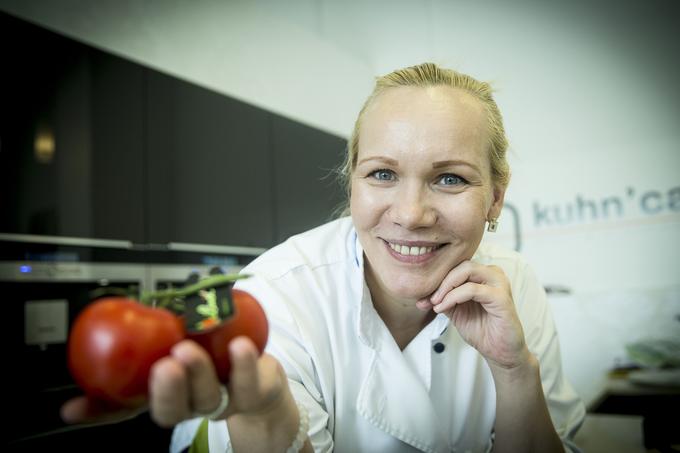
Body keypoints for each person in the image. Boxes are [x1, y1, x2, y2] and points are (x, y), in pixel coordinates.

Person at [62, 62, 585, 452]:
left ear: (495, 196)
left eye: (450, 178)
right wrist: (266, 414)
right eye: (382, 173)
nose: (411, 213)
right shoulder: (275, 293)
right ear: (352, 181)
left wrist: (515, 371)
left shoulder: (514, 283)